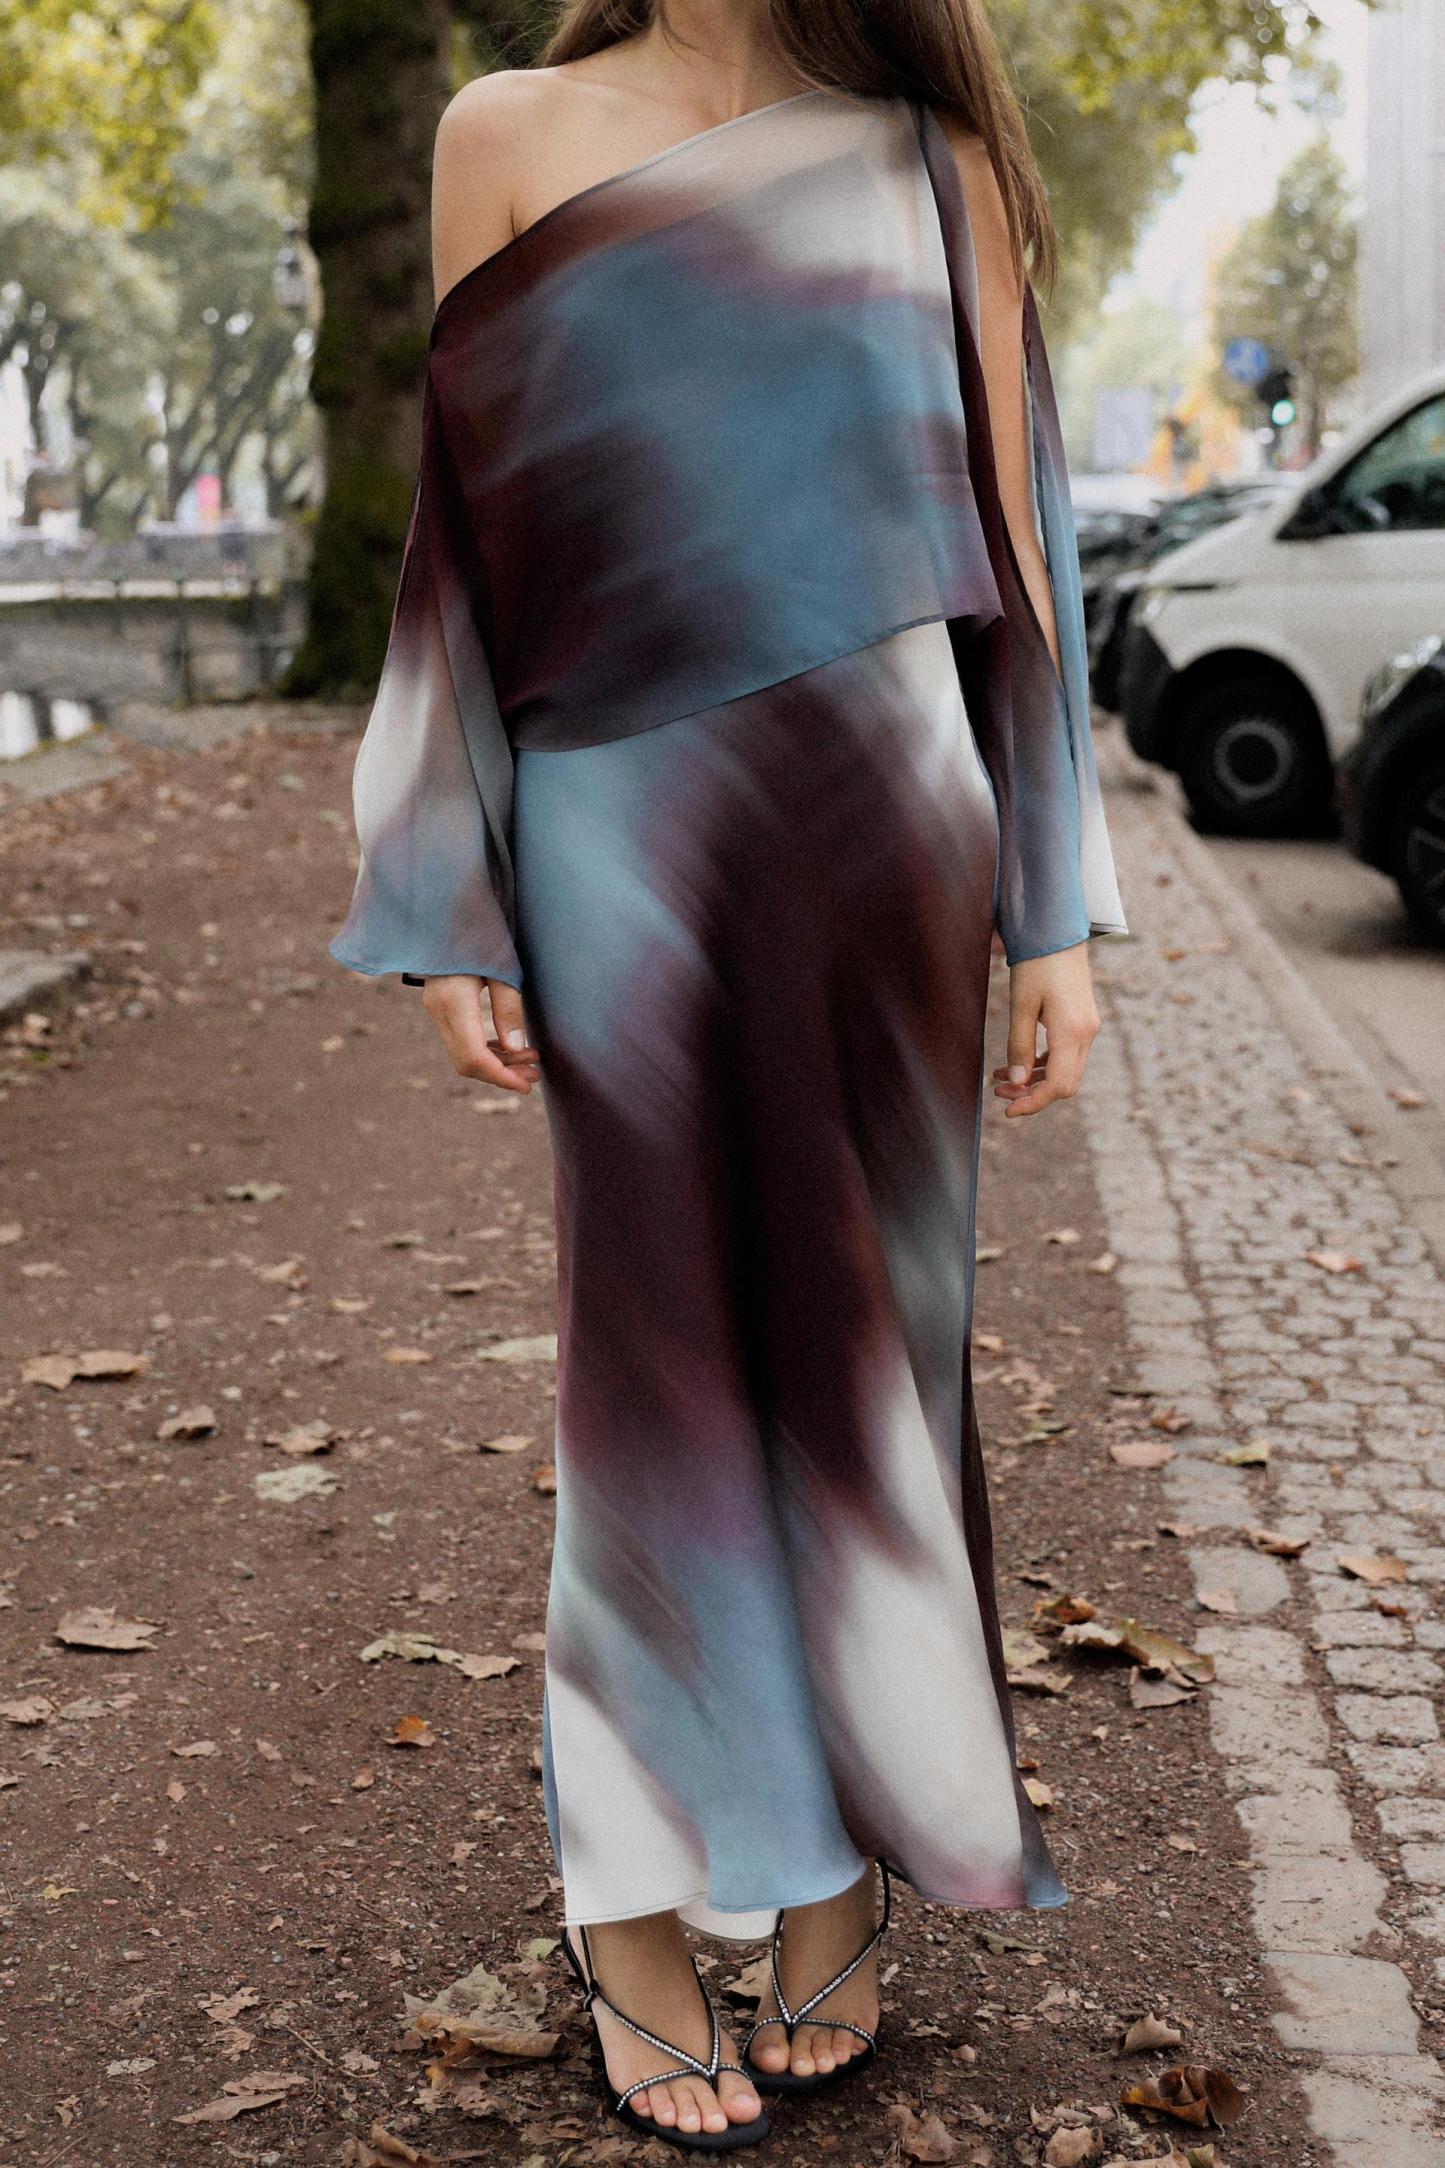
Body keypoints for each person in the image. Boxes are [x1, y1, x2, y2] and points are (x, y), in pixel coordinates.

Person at [331, 0, 1128, 2150]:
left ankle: (843, 1868)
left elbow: (1021, 539)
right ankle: (635, 1907)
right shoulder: (507, 129)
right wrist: (448, 889)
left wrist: (1054, 910)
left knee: (874, 1370)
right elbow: (462, 537)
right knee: (655, 1367)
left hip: (888, 822)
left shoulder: (935, 155)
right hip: (623, 827)